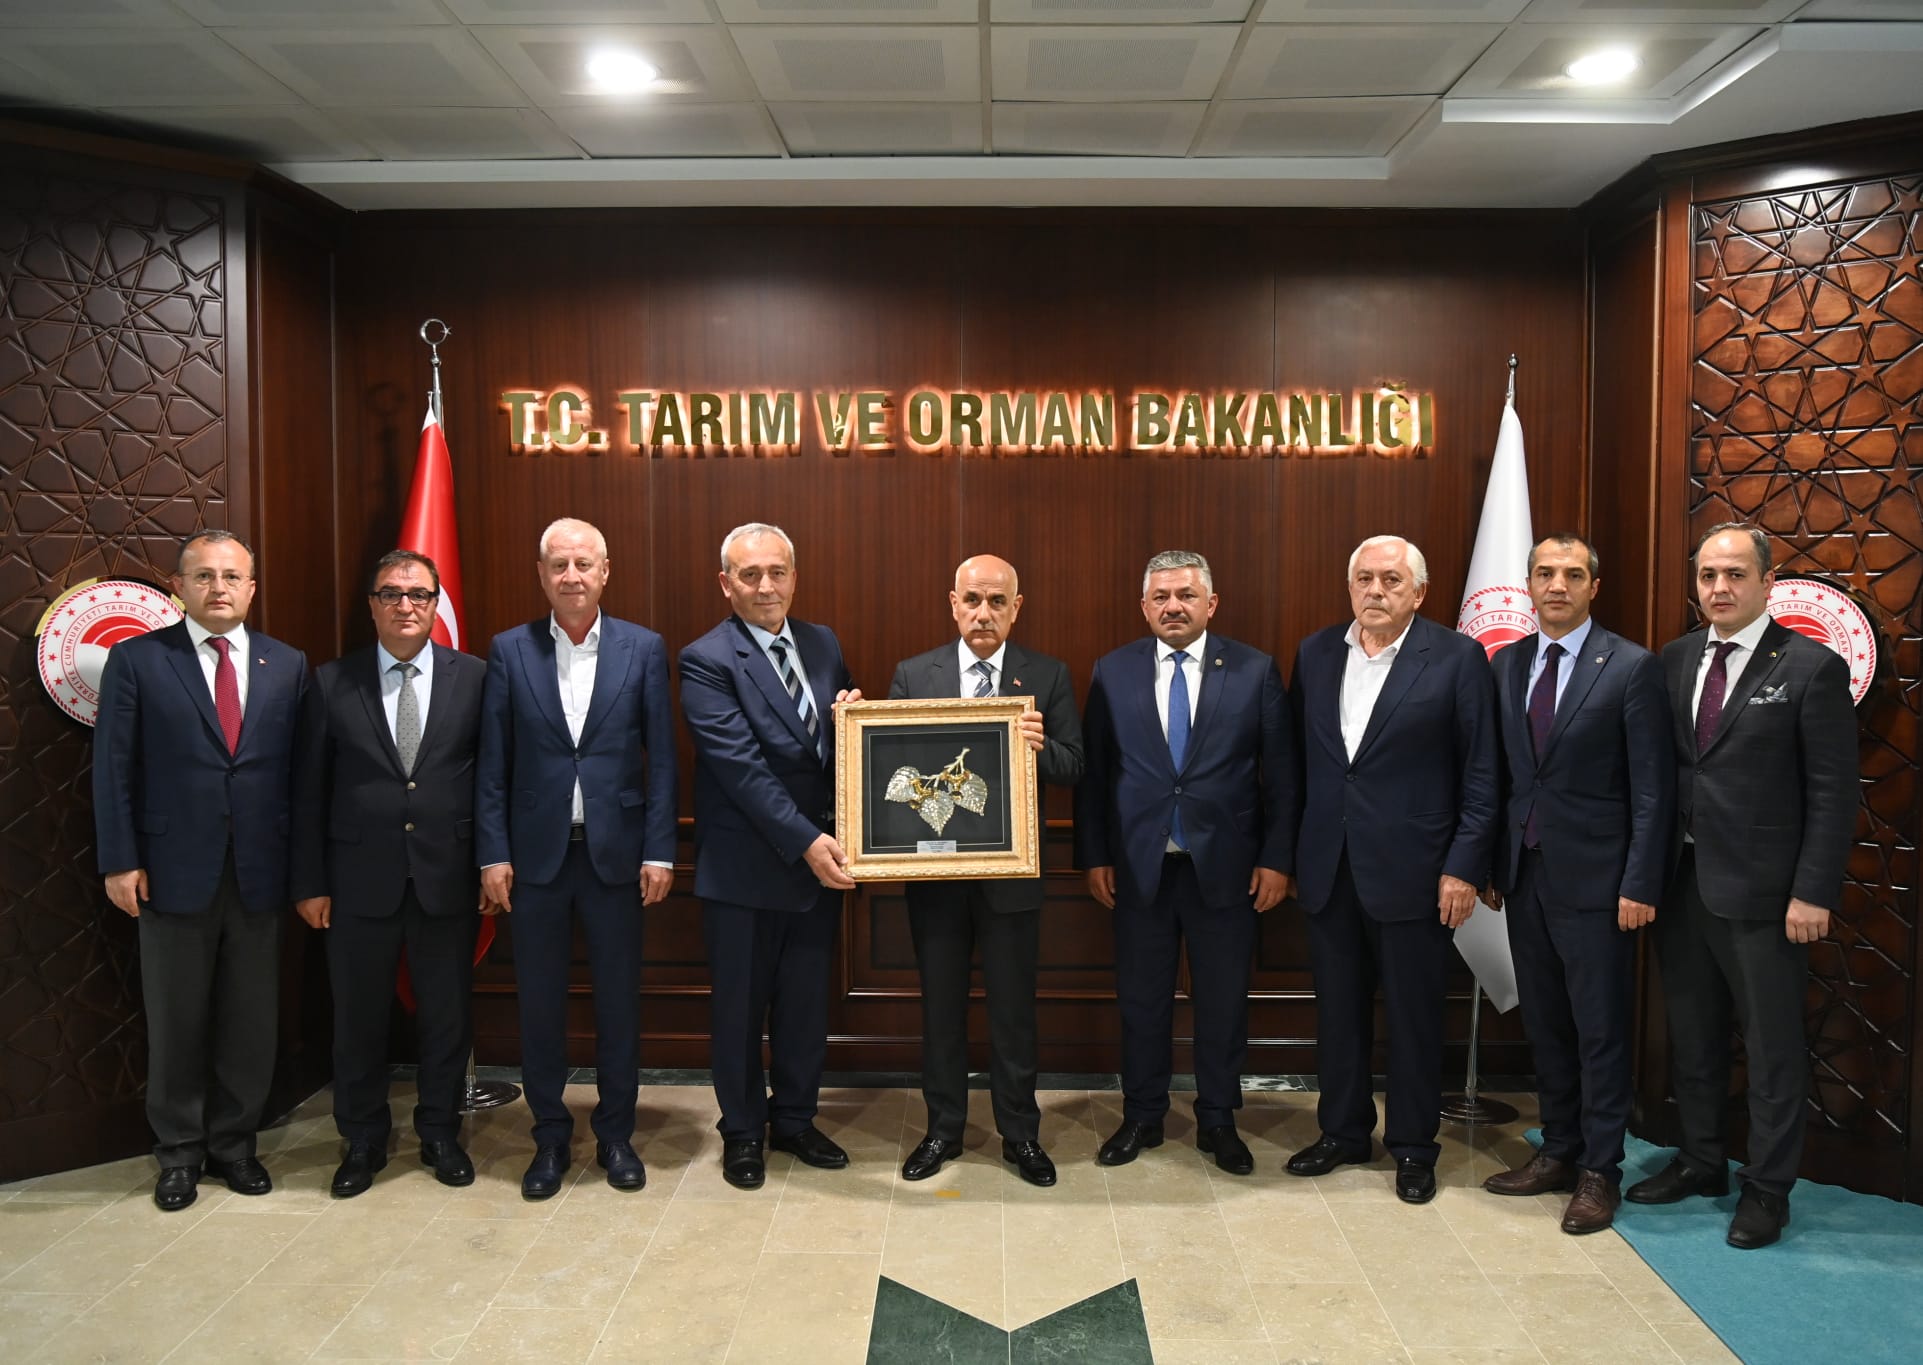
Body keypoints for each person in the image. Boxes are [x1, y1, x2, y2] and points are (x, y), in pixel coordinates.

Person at [1627, 522, 1857, 1249]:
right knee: (1692, 1037)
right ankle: (1701, 1161)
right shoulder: (1673, 659)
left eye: (1734, 574)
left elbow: (1833, 794)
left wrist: (1813, 891)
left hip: (1767, 896)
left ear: (1766, 581)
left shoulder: (1811, 666)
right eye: (1707, 575)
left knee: (1771, 1046)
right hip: (1682, 884)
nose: (1719, 588)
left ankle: (1767, 1188)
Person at [92, 529, 307, 1211]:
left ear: (252, 588)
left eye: (232, 576)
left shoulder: (287, 664)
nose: (219, 587)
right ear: (178, 585)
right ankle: (180, 1152)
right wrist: (120, 859)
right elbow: (113, 768)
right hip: (169, 871)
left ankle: (235, 1145)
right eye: (204, 575)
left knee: (251, 1020)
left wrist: (305, 872)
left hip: (261, 873)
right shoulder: (138, 659)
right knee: (177, 1019)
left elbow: (301, 779)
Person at [1287, 535, 1498, 1204]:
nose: (1375, 590)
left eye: (1390, 580)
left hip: (1419, 873)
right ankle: (1343, 1132)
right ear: (1350, 586)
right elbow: (1296, 766)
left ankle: (1412, 1146)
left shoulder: (1457, 657)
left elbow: (1482, 772)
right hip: (1328, 868)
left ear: (1419, 592)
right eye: (1364, 579)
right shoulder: (1316, 653)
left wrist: (1464, 867)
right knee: (1338, 1015)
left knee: (1413, 1019)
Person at [1076, 550, 1296, 1176]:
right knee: (1141, 1002)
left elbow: (1282, 777)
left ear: (1211, 603)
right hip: (1138, 869)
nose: (1174, 606)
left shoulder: (1254, 670)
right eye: (1161, 597)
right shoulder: (1113, 670)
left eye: (1186, 595)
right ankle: (1142, 1115)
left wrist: (1277, 859)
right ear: (1144, 607)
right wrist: (1094, 855)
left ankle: (1219, 1120)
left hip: (1227, 870)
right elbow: (1096, 775)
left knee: (1223, 1003)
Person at [475, 518, 677, 1200]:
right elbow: (493, 764)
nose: (571, 575)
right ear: (541, 574)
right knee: (539, 1007)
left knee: (618, 1004)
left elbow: (662, 759)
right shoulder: (510, 650)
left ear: (605, 571)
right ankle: (550, 1138)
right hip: (535, 862)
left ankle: (616, 1134)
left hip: (617, 858)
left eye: (583, 563)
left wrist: (660, 849)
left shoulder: (643, 648)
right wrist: (492, 852)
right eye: (558, 564)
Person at [1478, 533, 1673, 1234]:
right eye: (1543, 573)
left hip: (1600, 884)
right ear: (1528, 584)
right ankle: (1557, 1149)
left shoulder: (1630, 666)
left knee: (1599, 1030)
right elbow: (1502, 775)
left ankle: (1599, 1170)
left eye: (1570, 574)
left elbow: (1652, 788)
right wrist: (1492, 864)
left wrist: (1640, 880)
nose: (1555, 585)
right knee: (1546, 1023)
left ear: (1593, 586)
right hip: (1524, 876)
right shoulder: (1507, 662)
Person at [291, 550, 487, 1198]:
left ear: (436, 604)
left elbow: (492, 780)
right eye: (391, 594)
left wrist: (491, 866)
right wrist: (310, 882)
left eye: (419, 594)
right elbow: (308, 791)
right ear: (372, 605)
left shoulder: (475, 678)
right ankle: (363, 1140)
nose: (406, 605)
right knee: (359, 1021)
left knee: (446, 1019)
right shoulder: (330, 681)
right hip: (355, 882)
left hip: (447, 878)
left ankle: (440, 1134)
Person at [889, 555, 1084, 1187]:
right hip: (936, 876)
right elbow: (888, 767)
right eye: (972, 599)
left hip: (1013, 876)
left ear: (1016, 608)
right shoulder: (913, 675)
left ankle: (1020, 1134)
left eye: (997, 601)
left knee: (1013, 1014)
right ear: (953, 604)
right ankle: (942, 1130)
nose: (983, 612)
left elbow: (1074, 765)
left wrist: (1038, 746)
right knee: (940, 1012)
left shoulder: (1047, 676)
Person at [680, 523, 861, 1190]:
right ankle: (741, 1132)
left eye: (777, 572)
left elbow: (835, 744)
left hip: (819, 864)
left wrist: (852, 717)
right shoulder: (706, 659)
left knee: (804, 1008)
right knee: (738, 1011)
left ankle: (794, 1120)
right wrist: (809, 843)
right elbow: (742, 770)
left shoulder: (822, 643)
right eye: (749, 574)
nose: (765, 586)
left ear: (794, 576)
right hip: (747, 870)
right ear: (725, 583)